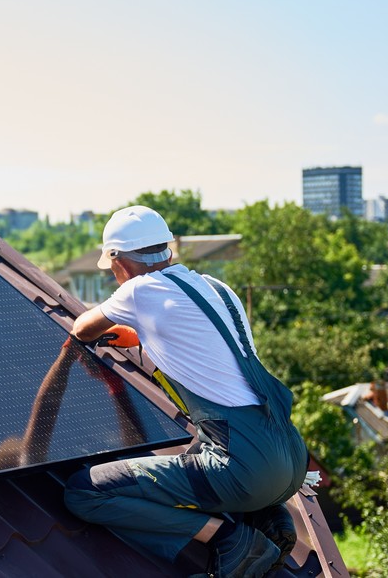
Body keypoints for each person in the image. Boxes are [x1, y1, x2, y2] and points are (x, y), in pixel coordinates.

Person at [63, 206, 307, 577]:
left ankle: (230, 538)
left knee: (84, 491)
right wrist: (139, 334)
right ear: (168, 251)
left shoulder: (138, 291)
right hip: (288, 461)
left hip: (246, 471)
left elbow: (83, 329)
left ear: (118, 263)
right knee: (203, 452)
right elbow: (210, 353)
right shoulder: (215, 288)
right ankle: (270, 520)